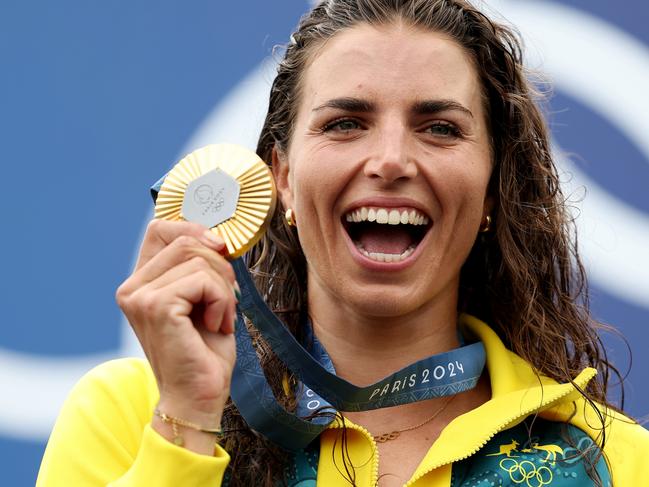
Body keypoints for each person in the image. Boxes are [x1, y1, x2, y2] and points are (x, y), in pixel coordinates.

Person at [37, 0, 649, 486]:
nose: (389, 160)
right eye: (345, 124)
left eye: (439, 128)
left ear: (492, 191)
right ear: (281, 180)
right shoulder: (127, 414)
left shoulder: (614, 462)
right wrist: (190, 420)